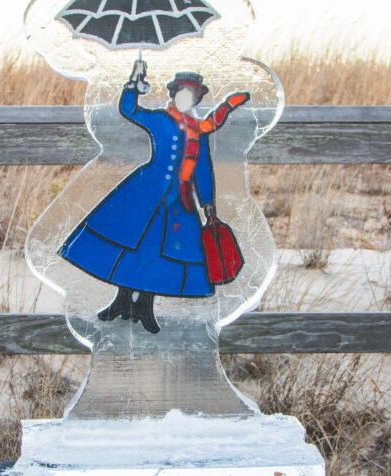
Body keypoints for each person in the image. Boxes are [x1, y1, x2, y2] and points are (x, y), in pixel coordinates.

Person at [59, 60, 250, 334]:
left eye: (192, 95)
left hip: (179, 203)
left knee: (162, 253)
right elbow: (130, 110)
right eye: (182, 92)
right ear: (174, 94)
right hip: (145, 192)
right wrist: (134, 83)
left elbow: (203, 168)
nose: (186, 98)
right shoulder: (161, 120)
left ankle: (145, 307)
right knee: (132, 243)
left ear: (197, 98)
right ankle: (121, 301)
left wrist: (207, 203)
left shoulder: (199, 130)